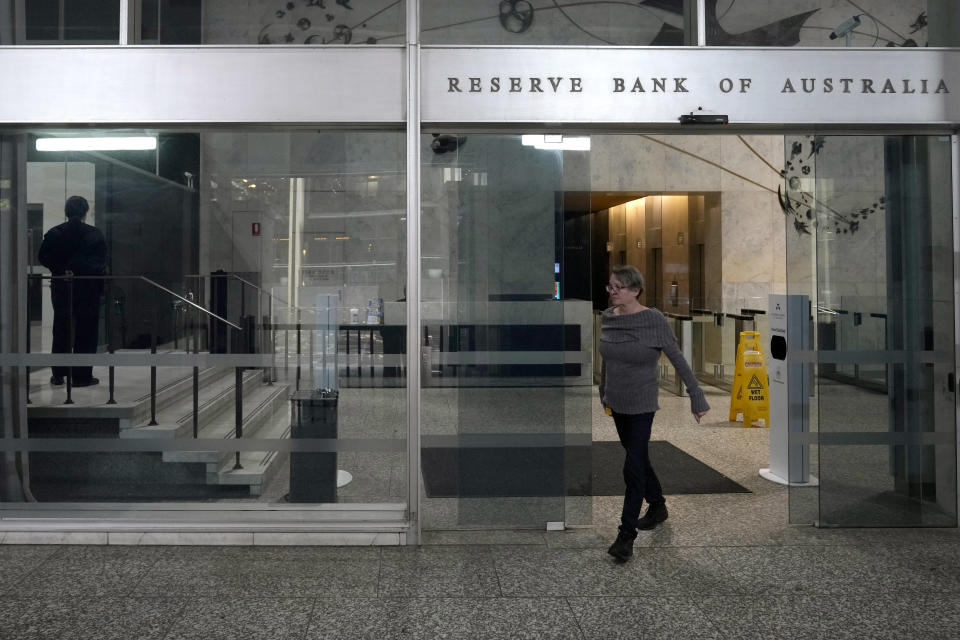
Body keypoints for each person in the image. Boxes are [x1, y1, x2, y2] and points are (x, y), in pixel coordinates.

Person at [599, 264, 709, 562]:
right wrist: (603, 391)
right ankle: (658, 504)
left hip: (642, 404)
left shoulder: (653, 320)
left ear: (635, 290)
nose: (612, 292)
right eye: (610, 287)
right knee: (640, 458)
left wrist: (696, 394)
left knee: (632, 466)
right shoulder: (608, 319)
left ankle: (625, 536)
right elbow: (608, 360)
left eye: (618, 287)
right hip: (617, 402)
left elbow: (677, 358)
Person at [38, 196, 107, 387]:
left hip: (62, 286)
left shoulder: (55, 233)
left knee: (61, 328)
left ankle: (59, 374)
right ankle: (81, 376)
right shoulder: (94, 234)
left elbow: (43, 256)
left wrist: (62, 269)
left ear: (66, 212)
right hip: (87, 288)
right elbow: (100, 262)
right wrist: (80, 270)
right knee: (87, 331)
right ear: (86, 212)